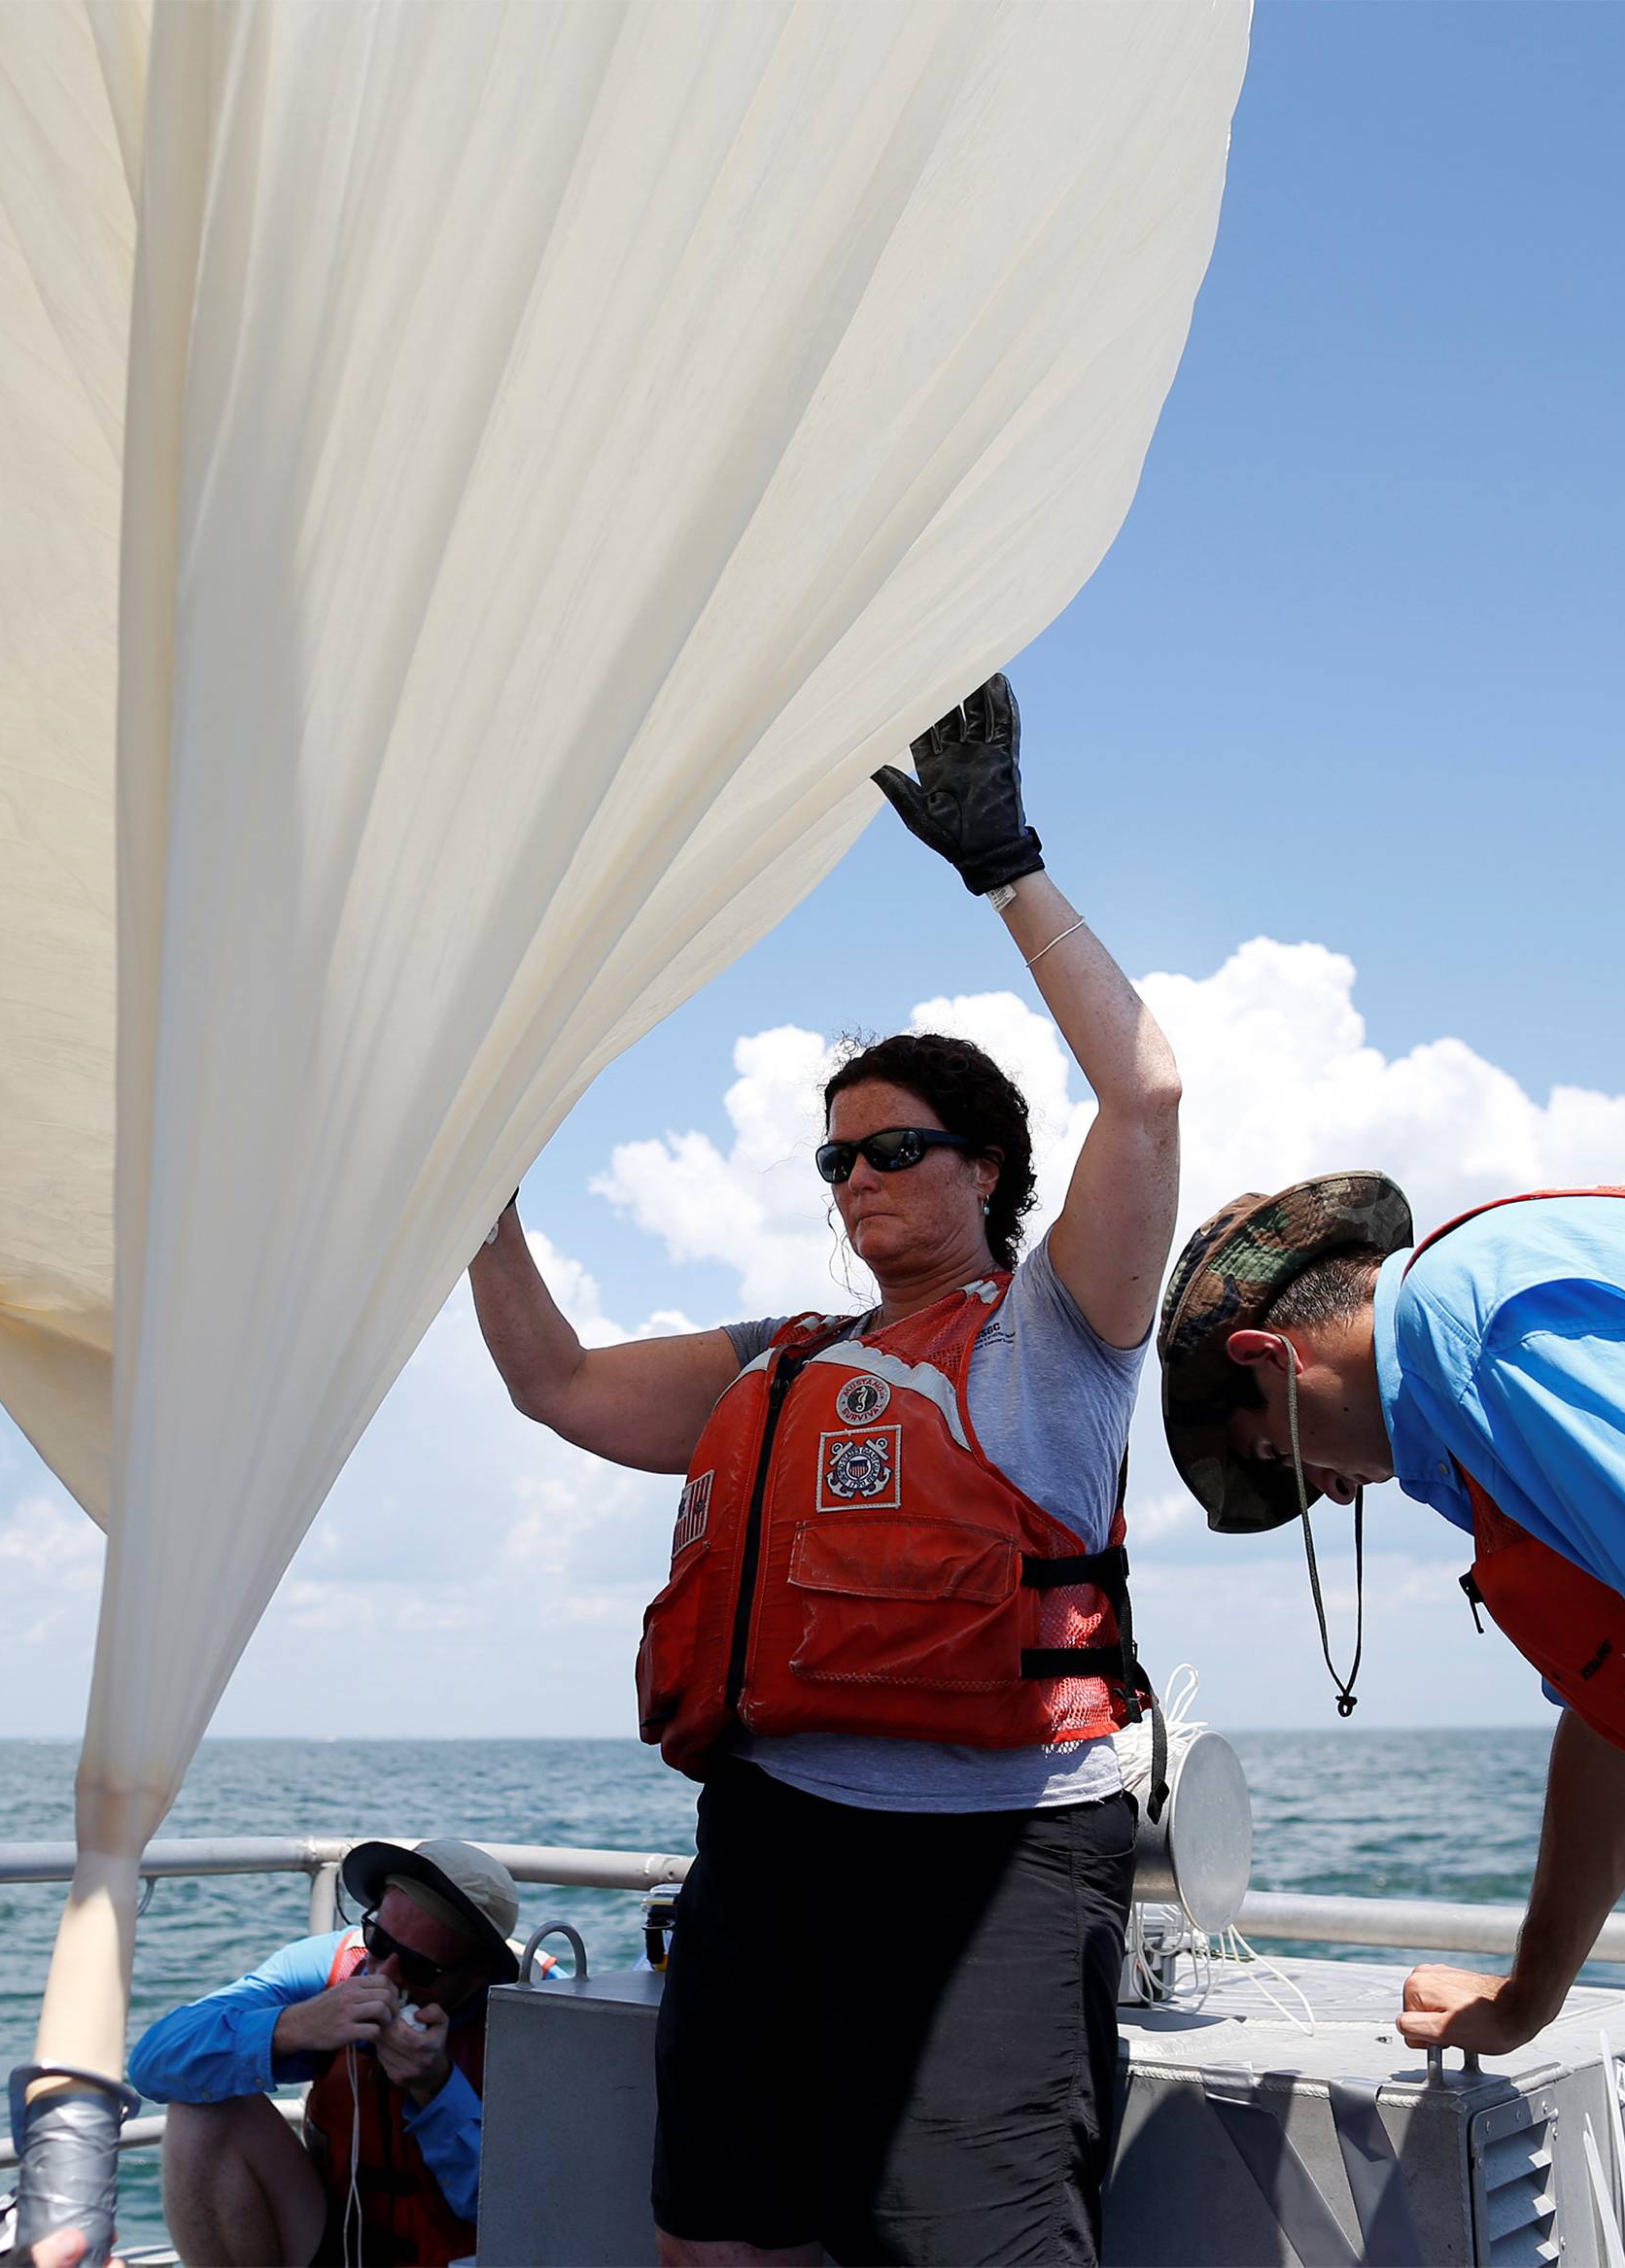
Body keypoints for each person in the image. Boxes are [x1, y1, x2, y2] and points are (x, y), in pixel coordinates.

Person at [472, 675, 1182, 2267]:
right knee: (716, 2239)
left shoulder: (1056, 1333)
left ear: (986, 1165)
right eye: (834, 1155)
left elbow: (1147, 1093)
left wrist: (1006, 863)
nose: (854, 1173)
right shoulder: (780, 1359)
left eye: (893, 1144)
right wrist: (480, 1203)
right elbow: (558, 1380)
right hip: (773, 1840)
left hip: (996, 1854)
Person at [1156, 1171, 1625, 2058]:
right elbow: (1614, 1730)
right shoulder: (1468, 1419)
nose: (1323, 1489)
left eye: (1274, 1454)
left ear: (1268, 1357)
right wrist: (1526, 2000)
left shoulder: (1479, 1326)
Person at [129, 1838, 535, 2267]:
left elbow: (529, 2216)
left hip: (466, 2253)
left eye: (418, 1967)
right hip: (334, 2233)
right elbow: (154, 2062)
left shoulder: (539, 2023)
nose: (384, 1973)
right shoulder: (330, 1969)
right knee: (202, 2112)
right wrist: (293, 2027)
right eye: (378, 1940)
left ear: (478, 1975)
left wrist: (436, 2089)